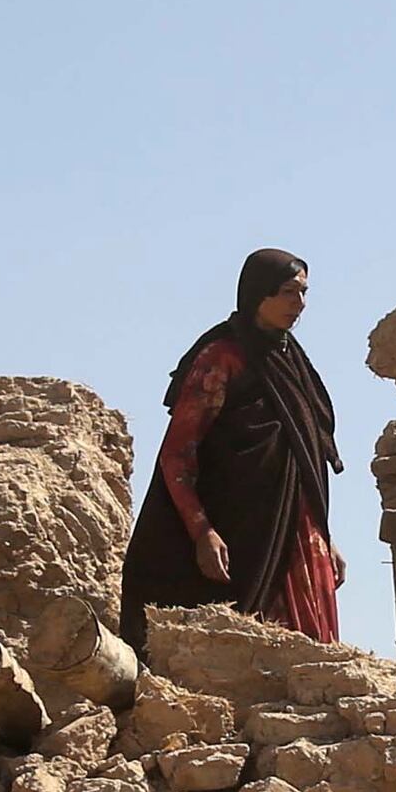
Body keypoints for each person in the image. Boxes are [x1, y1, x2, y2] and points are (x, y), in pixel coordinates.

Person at [119, 247, 342, 644]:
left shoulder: (291, 363)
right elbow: (177, 452)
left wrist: (322, 534)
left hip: (294, 539)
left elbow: (300, 458)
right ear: (260, 292)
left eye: (305, 293)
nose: (300, 304)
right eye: (289, 292)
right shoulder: (222, 359)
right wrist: (201, 531)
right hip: (239, 536)